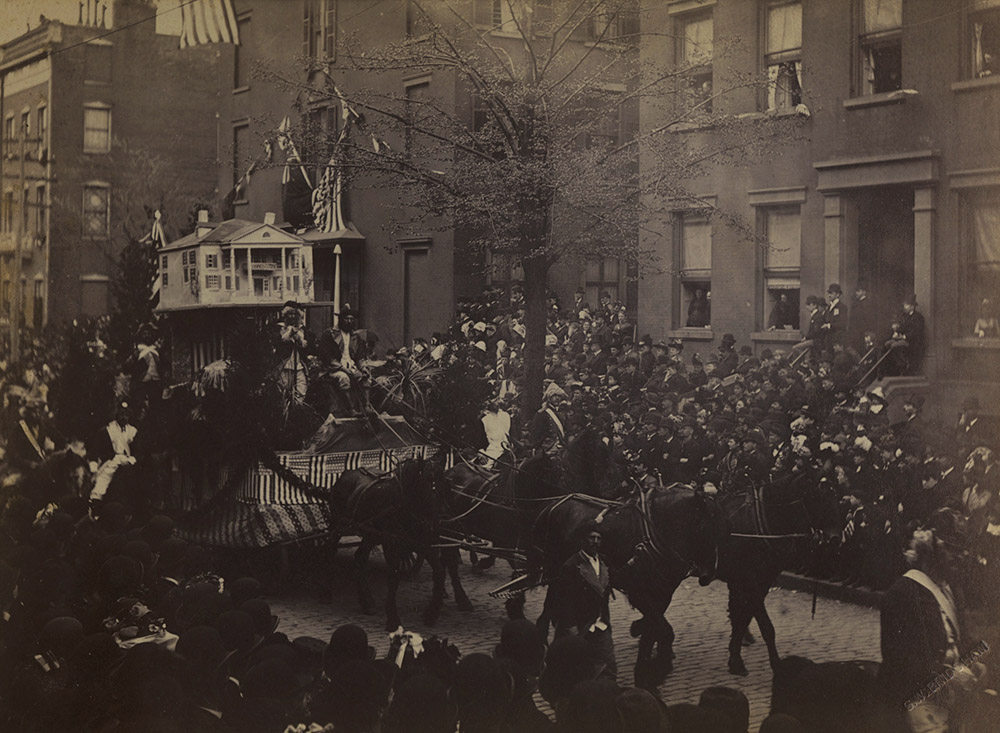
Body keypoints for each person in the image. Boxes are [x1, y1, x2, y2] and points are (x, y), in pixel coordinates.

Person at [876, 510, 985, 732]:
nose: (961, 555)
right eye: (951, 548)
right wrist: (951, 677)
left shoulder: (952, 589)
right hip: (915, 703)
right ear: (929, 547)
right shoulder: (901, 593)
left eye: (963, 549)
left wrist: (976, 661)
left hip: (953, 700)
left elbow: (963, 641)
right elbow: (900, 665)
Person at [551, 520, 616, 680]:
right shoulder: (572, 565)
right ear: (582, 540)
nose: (595, 542)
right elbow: (564, 600)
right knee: (578, 670)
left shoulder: (604, 562)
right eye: (591, 537)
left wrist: (633, 562)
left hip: (601, 624)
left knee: (608, 666)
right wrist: (570, 627)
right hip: (580, 627)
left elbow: (619, 579)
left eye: (598, 538)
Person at [316, 306, 369, 416]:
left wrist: (363, 368)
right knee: (344, 378)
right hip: (332, 369)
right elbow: (327, 358)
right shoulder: (329, 334)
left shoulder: (356, 337)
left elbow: (359, 357)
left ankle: (367, 406)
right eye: (346, 319)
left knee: (366, 378)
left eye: (351, 319)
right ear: (341, 319)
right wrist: (343, 369)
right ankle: (350, 409)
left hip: (351, 367)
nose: (349, 321)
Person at [87, 401, 138, 504]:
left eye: (126, 415)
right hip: (111, 462)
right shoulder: (107, 431)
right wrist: (94, 469)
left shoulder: (133, 431)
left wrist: (132, 459)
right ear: (117, 414)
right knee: (101, 484)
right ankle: (95, 504)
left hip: (129, 461)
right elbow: (95, 451)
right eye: (121, 414)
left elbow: (138, 449)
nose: (124, 417)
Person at [885, 294, 926, 376]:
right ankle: (900, 364)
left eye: (906, 305)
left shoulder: (918, 317)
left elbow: (916, 332)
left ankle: (904, 364)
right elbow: (902, 327)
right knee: (887, 344)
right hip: (904, 339)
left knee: (894, 345)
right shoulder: (905, 317)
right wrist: (896, 333)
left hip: (913, 342)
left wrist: (904, 336)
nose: (905, 307)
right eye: (904, 305)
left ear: (912, 306)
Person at [530, 382, 568, 455]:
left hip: (562, 448)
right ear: (549, 398)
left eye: (559, 396)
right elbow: (536, 435)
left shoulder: (563, 413)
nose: (557, 398)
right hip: (547, 448)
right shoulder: (541, 414)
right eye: (554, 396)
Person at [850, 282, 876, 353]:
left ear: (864, 292)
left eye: (858, 291)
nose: (856, 293)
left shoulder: (867, 304)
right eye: (856, 291)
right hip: (855, 332)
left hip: (862, 332)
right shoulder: (855, 303)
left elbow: (869, 319)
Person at [823, 283, 847, 348]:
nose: (829, 295)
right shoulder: (829, 307)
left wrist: (829, 325)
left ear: (837, 294)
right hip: (828, 339)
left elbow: (842, 324)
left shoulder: (842, 307)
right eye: (829, 293)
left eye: (831, 293)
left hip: (837, 339)